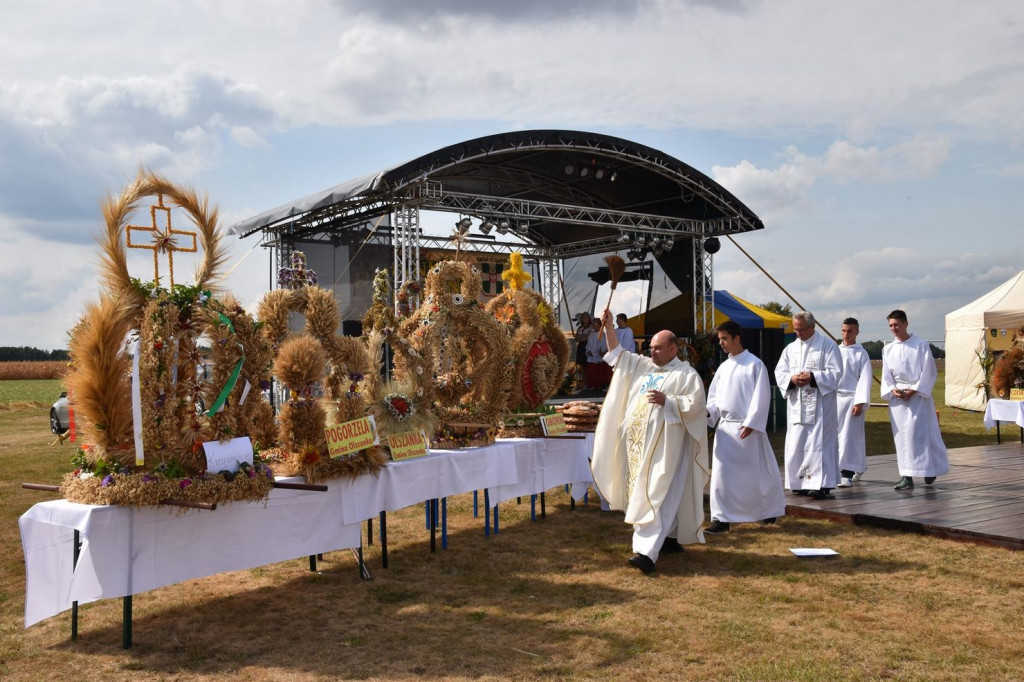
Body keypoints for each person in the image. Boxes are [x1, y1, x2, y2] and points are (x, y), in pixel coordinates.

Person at [591, 309, 709, 573]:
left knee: (656, 494)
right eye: (650, 348)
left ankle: (645, 553)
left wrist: (669, 401)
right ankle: (668, 538)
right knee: (655, 492)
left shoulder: (685, 375)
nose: (652, 352)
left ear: (673, 349)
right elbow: (618, 356)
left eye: (657, 348)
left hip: (666, 447)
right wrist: (609, 327)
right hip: (638, 445)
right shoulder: (643, 366)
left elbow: (696, 405)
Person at [704, 321, 786, 533]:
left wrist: (752, 422)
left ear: (736, 338)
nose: (721, 343)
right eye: (720, 339)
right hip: (725, 430)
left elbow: (761, 396)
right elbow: (714, 398)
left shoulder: (754, 364)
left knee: (755, 475)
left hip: (746, 429)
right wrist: (707, 415)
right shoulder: (723, 367)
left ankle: (767, 511)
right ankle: (721, 519)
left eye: (724, 339)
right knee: (721, 477)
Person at [774, 311, 843, 499]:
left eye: (802, 330)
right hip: (797, 404)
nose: (798, 334)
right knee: (797, 442)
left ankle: (821, 484)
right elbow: (780, 372)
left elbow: (836, 372)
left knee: (819, 443)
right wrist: (792, 378)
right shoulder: (791, 348)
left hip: (820, 405)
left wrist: (813, 377)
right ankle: (798, 482)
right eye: (796, 330)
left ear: (813, 327)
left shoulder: (827, 346)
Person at [881, 309, 949, 490]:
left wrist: (915, 389)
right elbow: (886, 376)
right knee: (902, 439)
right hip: (898, 401)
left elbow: (929, 372)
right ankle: (906, 475)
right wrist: (892, 389)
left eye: (896, 324)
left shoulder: (920, 345)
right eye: (890, 326)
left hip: (918, 398)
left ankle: (928, 470)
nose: (894, 328)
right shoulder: (888, 349)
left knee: (918, 436)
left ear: (905, 324)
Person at [836, 317, 873, 488]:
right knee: (836, 436)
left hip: (852, 398)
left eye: (849, 331)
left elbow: (865, 379)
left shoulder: (861, 353)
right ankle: (845, 467)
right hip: (835, 399)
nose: (846, 334)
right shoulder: (835, 351)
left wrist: (860, 402)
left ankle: (847, 473)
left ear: (857, 332)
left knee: (850, 436)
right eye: (843, 330)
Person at [585, 317, 610, 390]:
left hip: (600, 355)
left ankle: (601, 385)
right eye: (593, 324)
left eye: (595, 324)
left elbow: (604, 344)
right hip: (592, 356)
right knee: (592, 372)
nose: (594, 326)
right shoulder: (591, 334)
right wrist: (588, 351)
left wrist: (602, 351)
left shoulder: (603, 334)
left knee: (601, 372)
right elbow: (588, 344)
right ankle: (593, 386)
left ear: (599, 325)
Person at [573, 312, 593, 388]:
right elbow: (576, 338)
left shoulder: (591, 327)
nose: (584, 319)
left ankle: (590, 383)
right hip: (581, 347)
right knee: (582, 365)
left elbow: (587, 337)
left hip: (588, 346)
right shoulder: (580, 328)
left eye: (586, 317)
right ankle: (585, 384)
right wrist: (581, 337)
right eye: (583, 318)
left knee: (588, 365)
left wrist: (581, 337)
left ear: (589, 319)